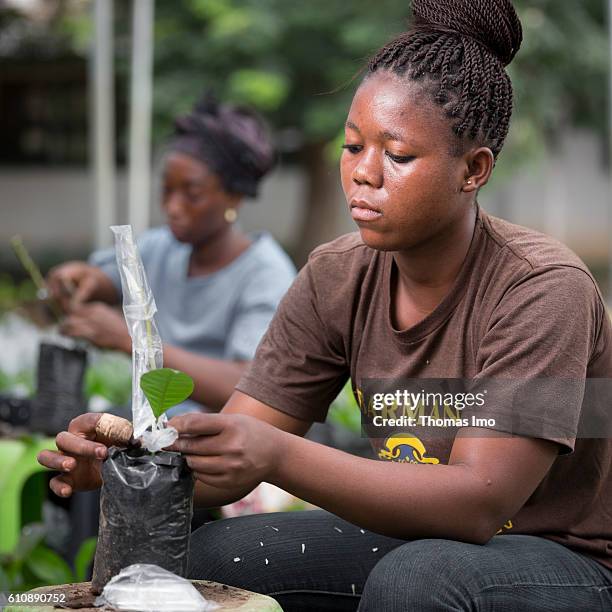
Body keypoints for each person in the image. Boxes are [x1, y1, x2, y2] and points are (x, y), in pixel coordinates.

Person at [39, 1, 612, 610]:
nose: (363, 174)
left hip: (564, 556)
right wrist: (124, 466)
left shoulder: (542, 287)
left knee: (420, 578)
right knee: (210, 558)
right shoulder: (336, 275)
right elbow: (233, 450)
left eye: (397, 155)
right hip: (421, 542)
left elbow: (479, 502)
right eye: (352, 146)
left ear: (473, 169)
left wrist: (278, 454)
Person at [47, 95, 296, 413]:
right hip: (155, 434)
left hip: (221, 447)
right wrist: (82, 279)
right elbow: (108, 281)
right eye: (166, 189)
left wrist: (137, 343)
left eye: (192, 194)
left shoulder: (265, 275)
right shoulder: (159, 248)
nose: (172, 207)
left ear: (234, 196)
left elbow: (250, 388)